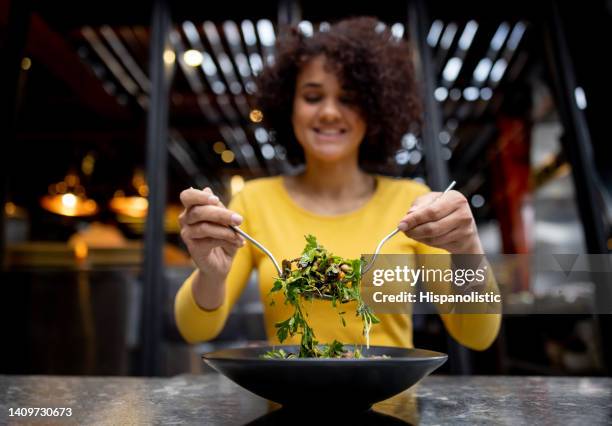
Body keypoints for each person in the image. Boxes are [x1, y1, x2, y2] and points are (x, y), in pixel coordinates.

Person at [175, 17, 500, 351]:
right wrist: (211, 274)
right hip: (289, 398)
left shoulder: (414, 205)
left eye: (348, 98)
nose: (330, 112)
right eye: (313, 97)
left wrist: (467, 250)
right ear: (289, 106)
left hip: (390, 400)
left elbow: (476, 334)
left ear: (375, 110)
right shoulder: (254, 202)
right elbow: (194, 330)